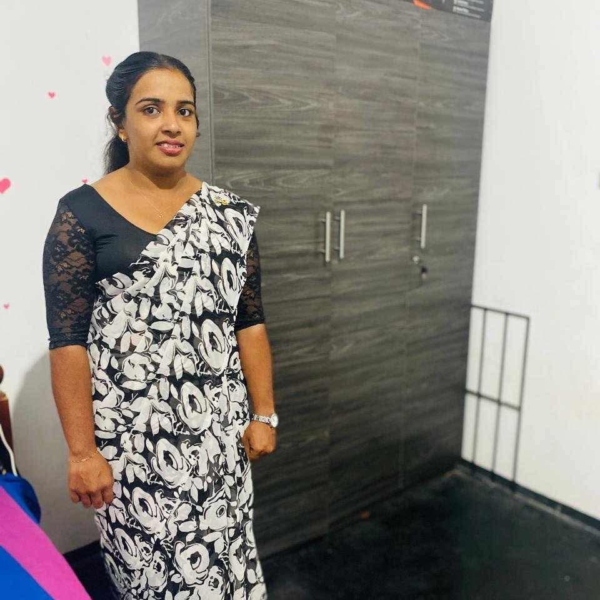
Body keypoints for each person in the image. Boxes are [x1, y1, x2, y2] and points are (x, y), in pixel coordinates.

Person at [41, 51, 277, 600]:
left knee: (229, 568)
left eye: (184, 111)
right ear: (120, 123)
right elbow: (67, 343)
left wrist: (264, 413)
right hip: (131, 454)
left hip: (220, 441)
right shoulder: (82, 214)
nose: (172, 124)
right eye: (151, 109)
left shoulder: (230, 216)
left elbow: (250, 322)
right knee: (154, 582)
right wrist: (82, 453)